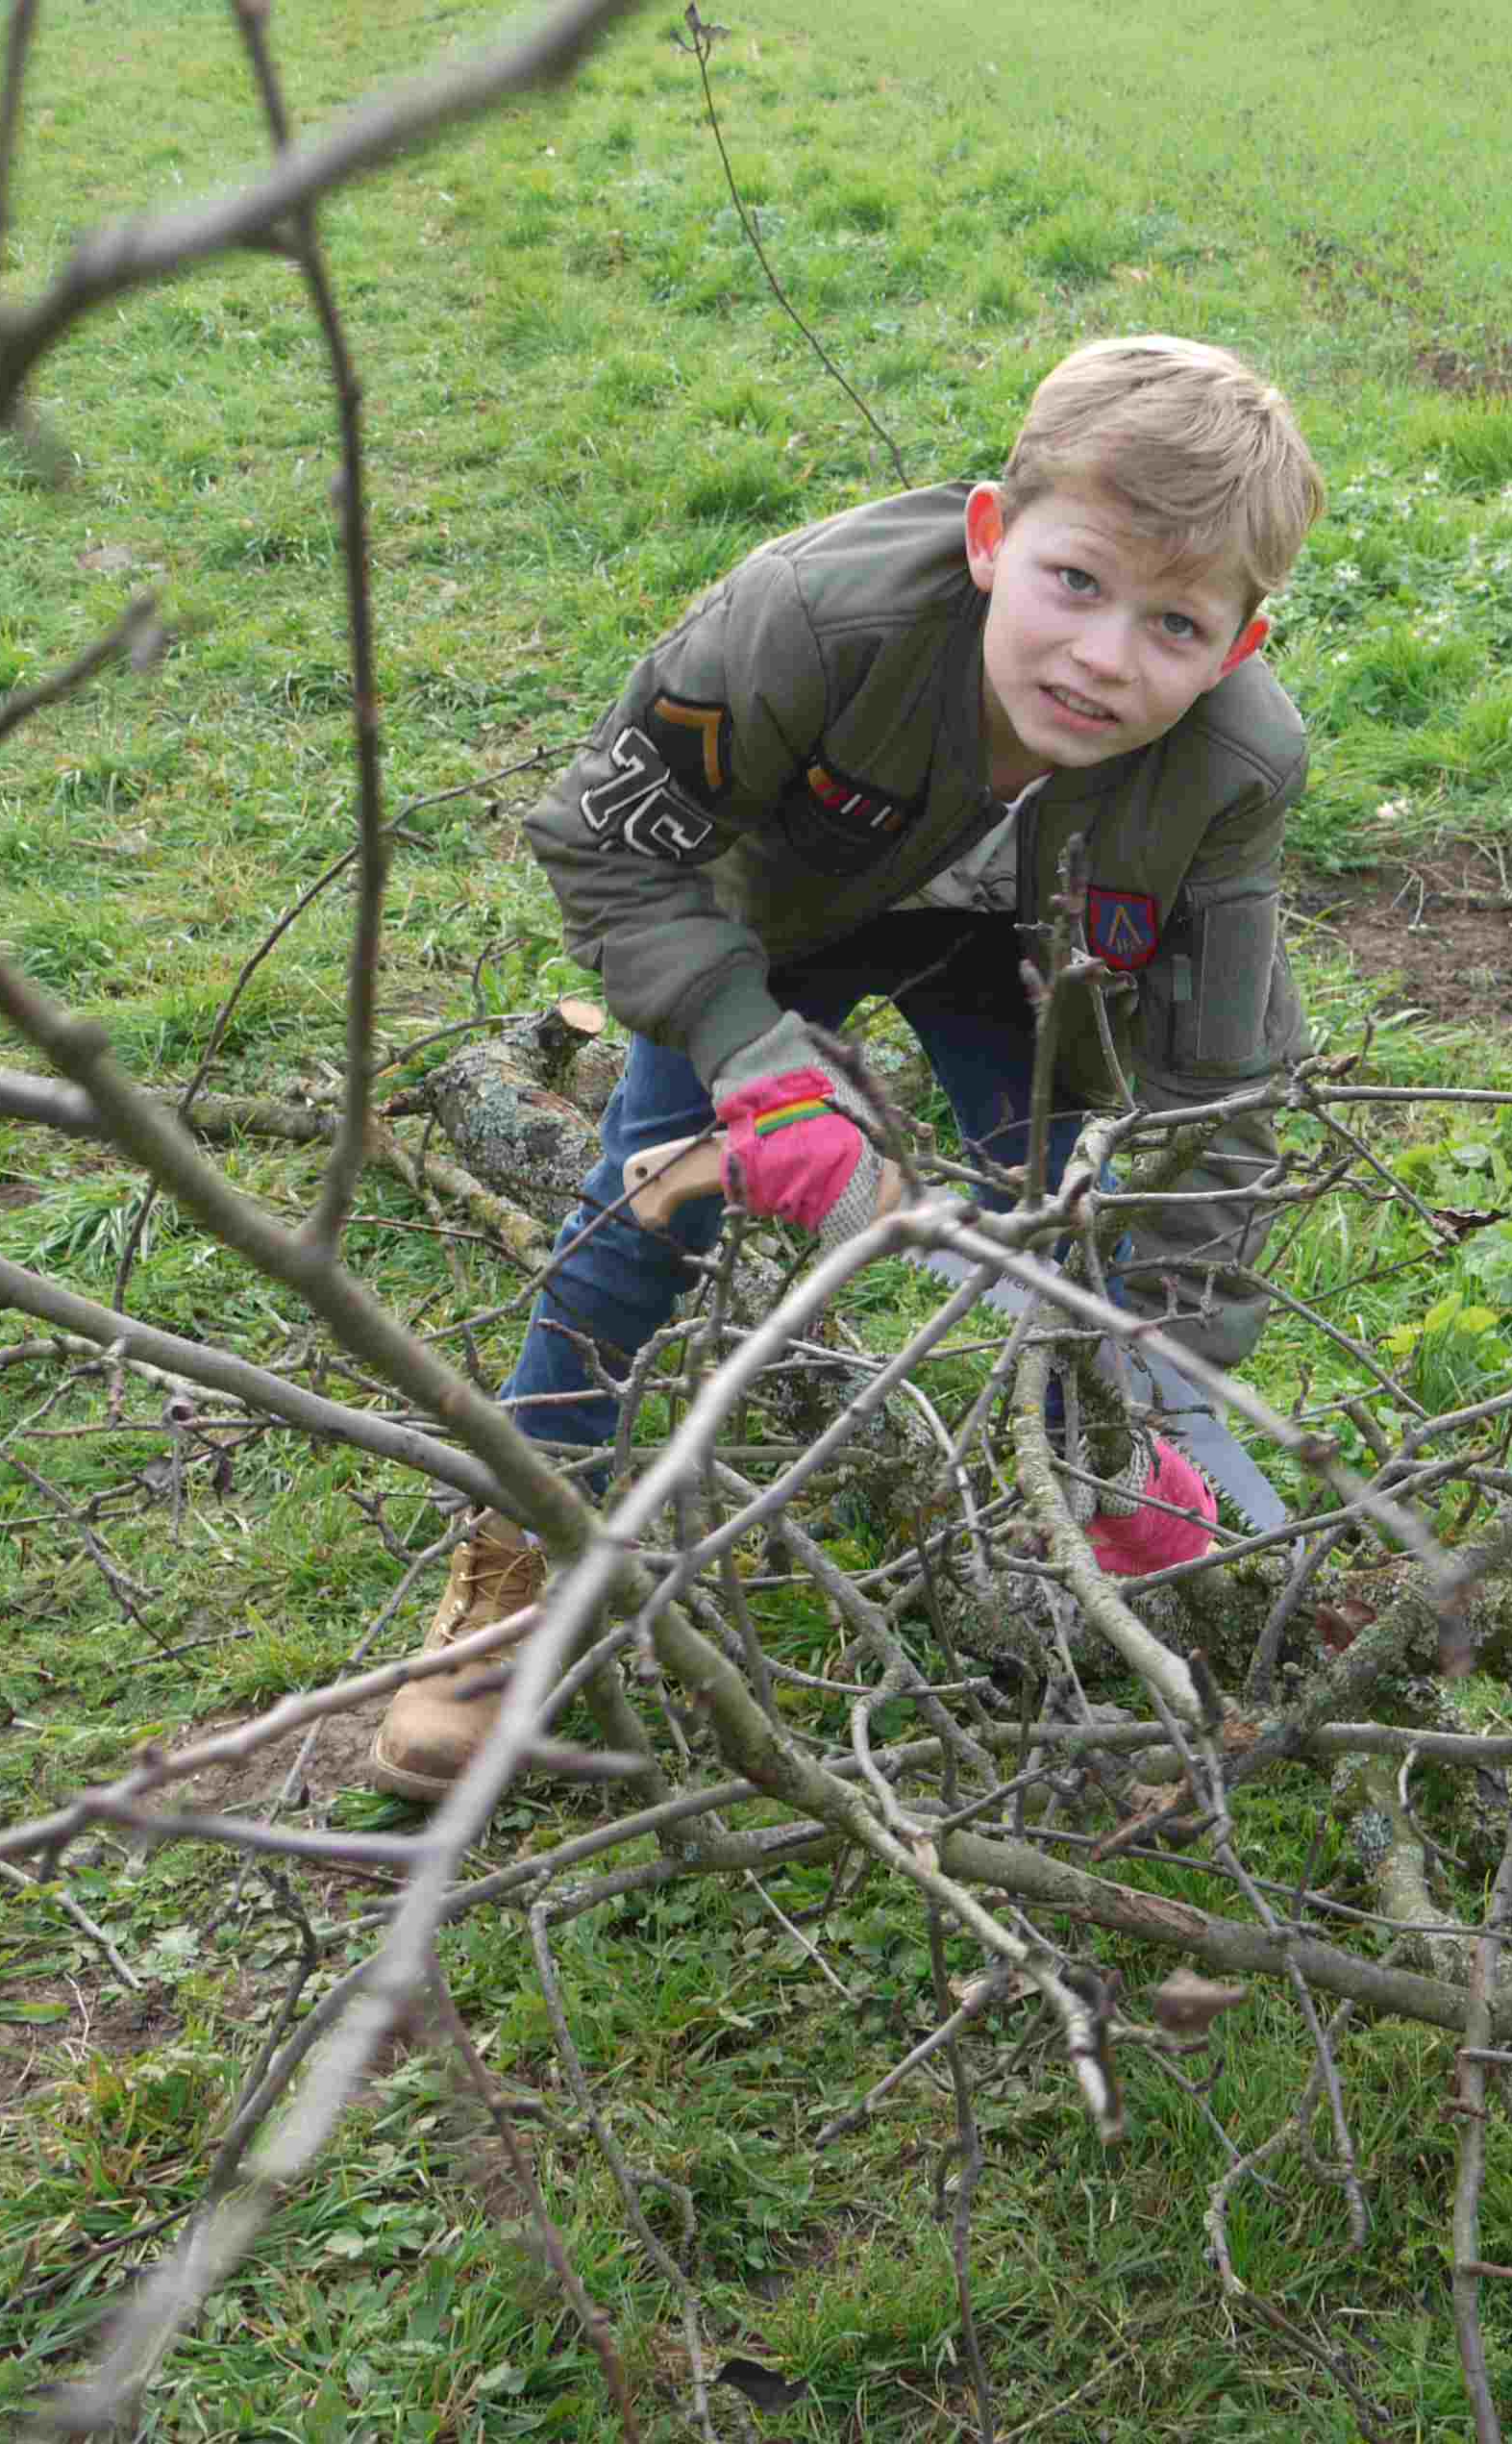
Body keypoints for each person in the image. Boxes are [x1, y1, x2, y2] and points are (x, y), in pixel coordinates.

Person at [369, 335, 1326, 1799]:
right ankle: (519, 1569)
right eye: (1075, 581)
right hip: (785, 927)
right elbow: (602, 838)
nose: (1103, 657)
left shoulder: (1236, 764)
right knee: (645, 1218)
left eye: (1175, 626)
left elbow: (1224, 1081)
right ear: (992, 536)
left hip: (1030, 976)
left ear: (1239, 646)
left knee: (1074, 1262)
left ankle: (1113, 1566)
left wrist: (1171, 1367)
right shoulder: (814, 617)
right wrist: (752, 1063)